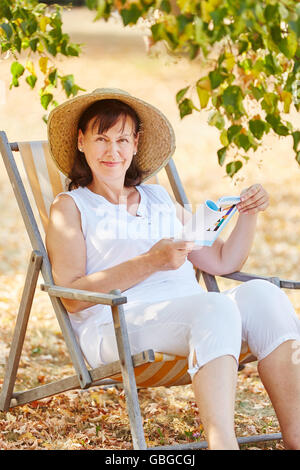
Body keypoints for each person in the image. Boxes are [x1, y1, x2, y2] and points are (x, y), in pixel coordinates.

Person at [46, 88, 300, 450]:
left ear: (136, 144)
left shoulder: (158, 198)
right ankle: (222, 444)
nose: (112, 150)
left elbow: (223, 261)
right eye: (101, 138)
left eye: (121, 139)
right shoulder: (71, 207)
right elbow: (72, 296)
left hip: (196, 316)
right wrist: (150, 261)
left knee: (265, 295)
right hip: (116, 325)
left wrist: (248, 215)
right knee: (214, 306)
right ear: (81, 141)